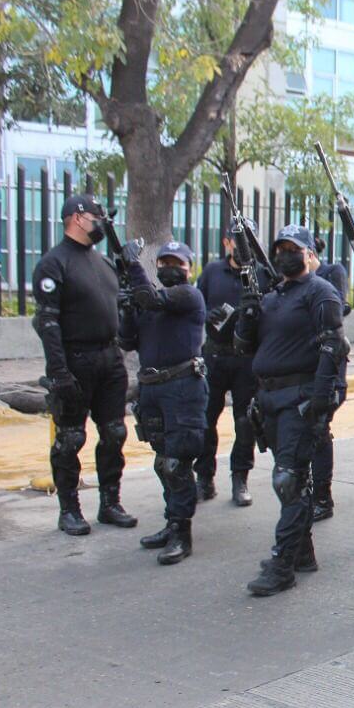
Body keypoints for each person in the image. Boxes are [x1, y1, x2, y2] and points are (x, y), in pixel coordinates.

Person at [234, 225, 347, 596]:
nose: (284, 254)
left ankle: (282, 563)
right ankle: (303, 553)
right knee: (292, 482)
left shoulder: (320, 292)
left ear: (308, 253)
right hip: (269, 398)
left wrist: (320, 398)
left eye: (292, 249)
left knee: (289, 480)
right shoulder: (272, 295)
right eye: (279, 248)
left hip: (298, 399)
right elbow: (244, 347)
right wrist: (248, 315)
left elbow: (334, 346)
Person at [32, 193, 137, 535]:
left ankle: (110, 503)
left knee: (114, 432)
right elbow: (48, 323)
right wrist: (59, 372)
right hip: (75, 360)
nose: (102, 224)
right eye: (97, 217)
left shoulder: (104, 263)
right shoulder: (54, 263)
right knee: (71, 438)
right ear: (77, 218)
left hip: (110, 359)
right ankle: (69, 510)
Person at [118, 241, 208, 564]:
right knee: (161, 462)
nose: (170, 268)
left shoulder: (188, 295)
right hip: (152, 388)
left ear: (189, 268)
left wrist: (133, 268)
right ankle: (171, 522)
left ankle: (182, 533)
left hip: (182, 386)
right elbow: (127, 340)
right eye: (164, 262)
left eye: (177, 263)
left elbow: (152, 298)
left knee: (177, 463)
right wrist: (126, 309)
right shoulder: (150, 302)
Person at [194, 226, 258, 507]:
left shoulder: (262, 273)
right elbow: (195, 306)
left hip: (247, 359)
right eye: (238, 242)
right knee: (206, 420)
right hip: (215, 356)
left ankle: (240, 477)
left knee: (246, 423)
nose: (243, 248)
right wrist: (210, 315)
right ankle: (204, 477)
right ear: (227, 242)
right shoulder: (212, 271)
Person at [309, 237, 351, 522]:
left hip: (328, 363)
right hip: (301, 367)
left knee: (319, 431)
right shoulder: (286, 286)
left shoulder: (330, 275)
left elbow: (339, 309)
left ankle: (323, 497)